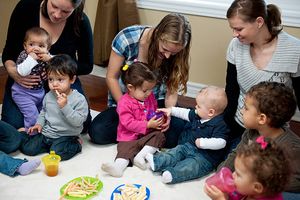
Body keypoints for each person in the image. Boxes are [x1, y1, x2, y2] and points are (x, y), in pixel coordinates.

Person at [89, 13, 192, 148]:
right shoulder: (127, 38)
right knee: (98, 132)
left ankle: (142, 134)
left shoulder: (177, 53)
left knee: (175, 135)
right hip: (126, 102)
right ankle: (148, 136)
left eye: (173, 53)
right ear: (158, 34)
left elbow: (171, 91)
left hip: (156, 103)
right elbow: (111, 77)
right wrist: (125, 106)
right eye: (165, 50)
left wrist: (169, 113)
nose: (167, 56)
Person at [2, 0, 93, 132]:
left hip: (60, 80)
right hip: (25, 82)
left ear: (76, 8)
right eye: (54, 6)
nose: (57, 15)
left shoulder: (81, 21)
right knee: (13, 126)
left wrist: (54, 61)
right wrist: (14, 72)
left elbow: (87, 65)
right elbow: (8, 52)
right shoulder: (25, 8)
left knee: (82, 123)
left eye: (66, 11)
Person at [223, 0, 300, 156]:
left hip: (274, 131)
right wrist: (228, 127)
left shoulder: (294, 50)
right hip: (240, 124)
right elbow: (231, 90)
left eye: (239, 29)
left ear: (259, 22)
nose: (234, 34)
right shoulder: (236, 45)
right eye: (232, 29)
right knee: (231, 167)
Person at [219, 82, 300, 199]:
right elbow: (237, 154)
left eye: (246, 108)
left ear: (262, 118)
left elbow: (292, 183)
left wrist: (251, 184)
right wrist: (222, 173)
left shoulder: (292, 148)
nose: (241, 111)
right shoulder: (251, 133)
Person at [145, 86, 229, 184]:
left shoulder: (220, 125)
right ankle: (158, 162)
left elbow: (221, 142)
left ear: (211, 112)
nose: (195, 107)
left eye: (198, 106)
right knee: (177, 151)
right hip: (189, 146)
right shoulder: (199, 114)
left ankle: (173, 174)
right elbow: (185, 113)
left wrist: (204, 143)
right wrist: (171, 110)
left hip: (205, 158)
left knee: (191, 166)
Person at [101, 62, 166, 177]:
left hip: (146, 135)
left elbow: (153, 110)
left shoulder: (149, 97)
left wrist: (158, 117)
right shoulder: (124, 102)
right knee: (124, 152)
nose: (149, 94)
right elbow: (128, 123)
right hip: (128, 137)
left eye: (151, 89)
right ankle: (118, 168)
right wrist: (147, 125)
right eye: (145, 91)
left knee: (159, 136)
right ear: (130, 88)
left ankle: (141, 156)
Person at [19, 54, 89, 161]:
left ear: (72, 79)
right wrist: (39, 124)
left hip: (66, 136)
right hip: (48, 133)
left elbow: (78, 122)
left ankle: (76, 144)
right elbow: (44, 111)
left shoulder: (79, 99)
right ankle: (44, 144)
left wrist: (65, 107)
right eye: (51, 79)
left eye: (60, 80)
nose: (54, 84)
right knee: (28, 149)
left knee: (57, 154)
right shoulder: (49, 95)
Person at [205, 136, 291, 200]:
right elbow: (235, 195)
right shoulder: (247, 188)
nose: (233, 174)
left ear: (257, 187)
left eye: (238, 174)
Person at [12, 27, 52, 132]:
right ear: (25, 46)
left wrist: (50, 60)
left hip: (40, 92)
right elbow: (22, 72)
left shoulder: (46, 56)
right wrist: (32, 59)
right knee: (32, 114)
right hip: (22, 93)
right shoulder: (24, 56)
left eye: (41, 46)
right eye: (31, 45)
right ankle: (30, 132)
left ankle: (42, 129)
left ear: (48, 49)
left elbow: (60, 65)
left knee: (43, 113)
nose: (36, 49)